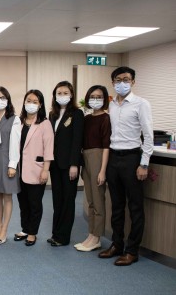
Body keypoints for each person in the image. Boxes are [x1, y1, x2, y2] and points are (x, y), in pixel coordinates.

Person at [98, 66, 153, 266]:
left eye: (126, 79)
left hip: (132, 159)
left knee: (136, 207)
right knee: (117, 206)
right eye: (118, 80)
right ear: (113, 83)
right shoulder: (112, 105)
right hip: (114, 158)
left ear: (133, 82)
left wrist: (144, 164)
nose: (122, 83)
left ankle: (132, 250)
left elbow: (148, 136)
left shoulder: (141, 104)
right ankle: (117, 245)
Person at [14, 90, 54, 246]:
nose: (31, 104)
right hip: (19, 170)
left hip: (37, 170)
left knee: (34, 203)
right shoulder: (19, 121)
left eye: (35, 101)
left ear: (40, 104)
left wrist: (46, 169)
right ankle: (25, 229)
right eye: (28, 101)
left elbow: (49, 148)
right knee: (22, 202)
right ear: (24, 103)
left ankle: (32, 232)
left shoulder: (45, 123)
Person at [48, 81, 84, 247]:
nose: (62, 96)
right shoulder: (53, 114)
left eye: (65, 93)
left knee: (68, 200)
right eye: (59, 93)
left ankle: (63, 237)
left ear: (71, 95)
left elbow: (77, 141)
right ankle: (56, 233)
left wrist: (74, 164)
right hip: (55, 164)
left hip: (69, 165)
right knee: (57, 199)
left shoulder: (76, 113)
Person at [75, 85, 111, 252]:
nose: (95, 99)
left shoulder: (106, 118)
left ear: (104, 99)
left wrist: (102, 170)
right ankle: (91, 234)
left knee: (98, 200)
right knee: (90, 200)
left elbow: (106, 147)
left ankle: (97, 237)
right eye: (92, 96)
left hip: (98, 157)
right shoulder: (87, 118)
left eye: (99, 96)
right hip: (86, 157)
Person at [0, 86, 21, 245]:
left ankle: (5, 228)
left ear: (7, 100)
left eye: (2, 97)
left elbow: (15, 144)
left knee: (7, 195)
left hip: (7, 161)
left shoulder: (15, 119)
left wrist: (13, 164)